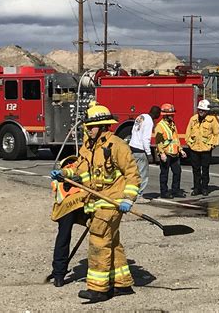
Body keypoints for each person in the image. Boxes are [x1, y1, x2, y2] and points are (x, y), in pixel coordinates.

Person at [50, 104, 141, 303]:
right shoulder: (88, 147)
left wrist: (127, 199)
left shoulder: (117, 146)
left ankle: (98, 289)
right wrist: (64, 174)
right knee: (112, 242)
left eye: (91, 126)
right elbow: (81, 172)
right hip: (97, 202)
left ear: (102, 126)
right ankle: (122, 284)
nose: (87, 129)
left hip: (112, 202)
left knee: (99, 240)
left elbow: (133, 175)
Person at [50, 155, 90, 288]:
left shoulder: (63, 174)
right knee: (99, 233)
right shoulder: (65, 174)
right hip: (79, 206)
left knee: (63, 238)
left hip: (69, 208)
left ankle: (58, 275)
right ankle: (59, 274)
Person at [185, 99, 219, 197]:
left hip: (206, 150)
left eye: (203, 110)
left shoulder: (212, 120)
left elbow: (216, 134)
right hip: (194, 149)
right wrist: (189, 143)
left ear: (207, 111)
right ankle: (196, 188)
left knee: (205, 169)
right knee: (195, 170)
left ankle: (204, 188)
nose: (201, 111)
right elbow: (188, 132)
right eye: (200, 109)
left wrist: (212, 145)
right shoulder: (193, 119)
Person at [129, 105, 161, 202]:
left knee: (133, 173)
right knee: (143, 174)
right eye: (159, 114)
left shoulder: (141, 116)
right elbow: (145, 138)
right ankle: (138, 195)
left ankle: (130, 194)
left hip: (132, 147)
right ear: (156, 114)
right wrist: (149, 154)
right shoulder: (149, 121)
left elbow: (133, 131)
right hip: (140, 150)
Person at [154, 103, 187, 198]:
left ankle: (175, 190)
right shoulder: (160, 126)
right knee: (164, 174)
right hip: (166, 154)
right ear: (165, 115)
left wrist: (181, 150)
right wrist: (162, 153)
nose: (173, 116)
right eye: (171, 114)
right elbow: (159, 142)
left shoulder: (172, 124)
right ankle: (164, 192)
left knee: (177, 172)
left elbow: (175, 138)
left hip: (175, 154)